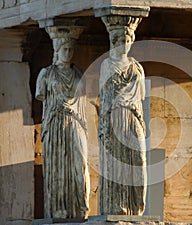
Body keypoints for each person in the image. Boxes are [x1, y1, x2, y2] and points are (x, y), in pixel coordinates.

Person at [36, 32, 89, 219]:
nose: (68, 53)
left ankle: (80, 207)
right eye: (64, 49)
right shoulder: (46, 74)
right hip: (55, 121)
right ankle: (58, 209)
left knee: (79, 162)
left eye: (71, 49)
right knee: (58, 165)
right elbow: (41, 95)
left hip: (75, 121)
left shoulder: (78, 73)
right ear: (57, 51)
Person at [99, 17, 147, 215]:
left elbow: (142, 95)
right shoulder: (107, 65)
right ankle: (117, 207)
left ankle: (137, 207)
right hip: (115, 115)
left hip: (133, 116)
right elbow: (104, 94)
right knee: (116, 160)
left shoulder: (137, 67)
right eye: (121, 41)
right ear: (114, 41)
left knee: (139, 158)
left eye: (128, 41)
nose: (125, 45)